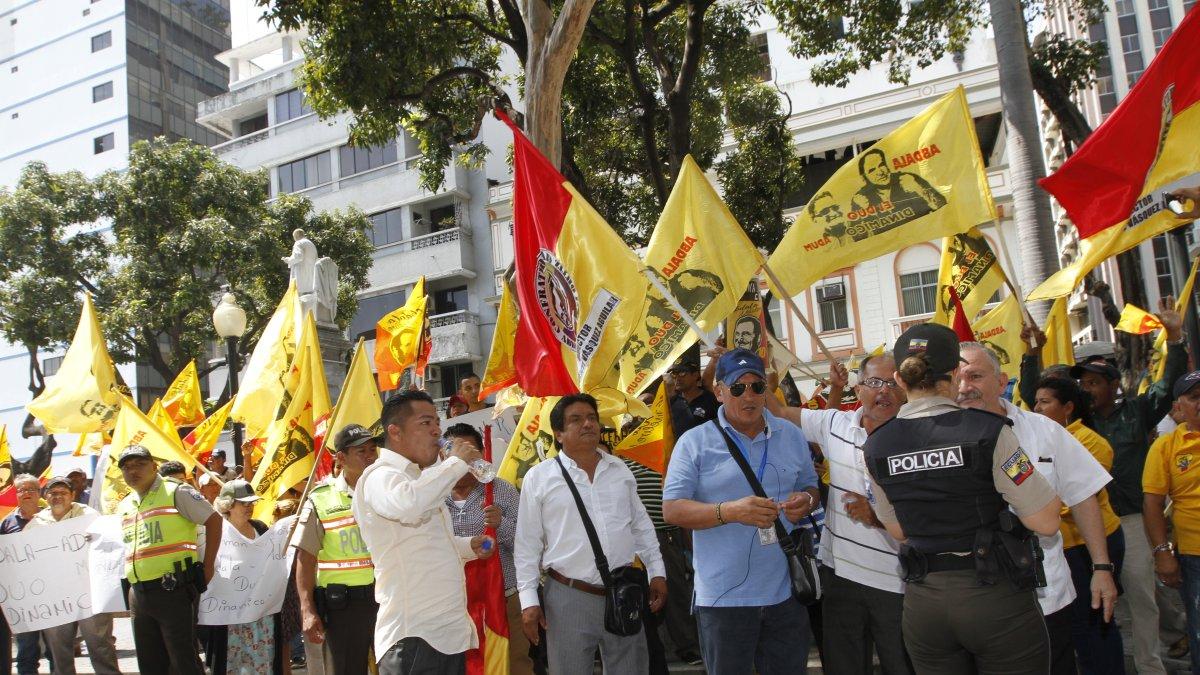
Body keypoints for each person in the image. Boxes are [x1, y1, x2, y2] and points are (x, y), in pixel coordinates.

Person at [863, 324, 1062, 672]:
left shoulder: (877, 445)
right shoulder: (988, 430)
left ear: (898, 377)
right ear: (955, 373)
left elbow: (897, 531)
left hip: (924, 604)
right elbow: (1045, 522)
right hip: (994, 599)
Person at [958, 341, 1117, 674]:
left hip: (1046, 599)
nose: (964, 386)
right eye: (956, 376)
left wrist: (1101, 568)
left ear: (1002, 383)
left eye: (974, 375)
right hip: (973, 603)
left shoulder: (1044, 430)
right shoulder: (937, 439)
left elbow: (1083, 495)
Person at [663, 348, 821, 674]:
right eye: (738, 387)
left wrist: (806, 501)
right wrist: (730, 512)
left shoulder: (790, 435)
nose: (748, 395)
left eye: (757, 386)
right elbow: (672, 510)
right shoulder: (694, 442)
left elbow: (811, 487)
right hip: (723, 601)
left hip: (787, 594)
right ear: (719, 392)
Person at [767, 355, 912, 675]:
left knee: (902, 666)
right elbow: (777, 412)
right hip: (841, 578)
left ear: (904, 390)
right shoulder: (835, 424)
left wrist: (875, 516)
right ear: (858, 389)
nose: (883, 391)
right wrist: (757, 365)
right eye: (875, 383)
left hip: (899, 582)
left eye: (892, 383)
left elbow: (926, 517)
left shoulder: (916, 438)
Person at [1073, 297, 1187, 675]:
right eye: (1083, 383)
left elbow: (1169, 384)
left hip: (1134, 520)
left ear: (1111, 385)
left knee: (1141, 597)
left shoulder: (1137, 411)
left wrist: (1174, 338)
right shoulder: (1075, 427)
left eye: (1094, 382)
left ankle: (1150, 667)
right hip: (1093, 525)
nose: (1087, 389)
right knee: (1100, 599)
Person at [515, 394, 667, 674]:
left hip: (623, 592)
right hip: (567, 597)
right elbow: (526, 545)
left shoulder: (619, 469)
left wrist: (657, 571)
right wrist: (529, 602)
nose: (587, 424)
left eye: (592, 418)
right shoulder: (540, 478)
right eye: (576, 420)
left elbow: (641, 526)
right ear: (558, 434)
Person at [352, 390, 496, 675]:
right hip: (414, 636)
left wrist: (468, 546)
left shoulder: (419, 478)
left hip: (445, 634)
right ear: (395, 431)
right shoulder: (380, 476)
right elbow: (409, 506)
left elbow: (424, 544)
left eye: (437, 424)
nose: (436, 431)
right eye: (425, 423)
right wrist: (456, 463)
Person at [1033, 376, 1127, 673]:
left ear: (1069, 407)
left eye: (1045, 402)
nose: (1037, 408)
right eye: (1036, 401)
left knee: (1097, 622)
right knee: (1076, 626)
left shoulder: (1090, 442)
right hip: (1064, 546)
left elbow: (1077, 497)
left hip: (1091, 544)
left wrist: (1031, 507)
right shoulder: (1038, 437)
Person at [117, 444, 221, 675]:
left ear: (154, 467)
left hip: (173, 588)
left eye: (139, 464)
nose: (133, 471)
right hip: (139, 592)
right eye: (126, 467)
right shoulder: (125, 503)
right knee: (150, 663)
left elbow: (214, 520)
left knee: (183, 660)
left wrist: (208, 565)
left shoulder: (177, 491)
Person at [440, 423, 530, 674]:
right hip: (453, 603)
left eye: (469, 453)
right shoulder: (432, 496)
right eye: (456, 453)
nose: (463, 460)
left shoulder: (502, 490)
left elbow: (526, 546)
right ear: (444, 456)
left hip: (502, 599)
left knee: (514, 665)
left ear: (481, 455)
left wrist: (501, 524)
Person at [292, 423, 380, 675]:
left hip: (388, 597)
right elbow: (305, 558)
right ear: (340, 458)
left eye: (372, 450)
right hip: (344, 606)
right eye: (361, 451)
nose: (370, 456)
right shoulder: (320, 499)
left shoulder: (389, 490)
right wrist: (307, 609)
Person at [25, 476, 121, 675]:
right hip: (57, 598)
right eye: (53, 493)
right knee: (59, 650)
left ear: (73, 495)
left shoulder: (90, 516)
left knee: (100, 645)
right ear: (46, 496)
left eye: (63, 493)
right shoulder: (35, 524)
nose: (58, 497)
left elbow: (107, 544)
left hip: (90, 594)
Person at [1143, 369, 1200, 674]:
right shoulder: (1165, 447)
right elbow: (1152, 503)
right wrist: (1163, 553)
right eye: (1194, 397)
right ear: (1180, 406)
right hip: (1195, 555)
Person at [207, 479, 277, 674]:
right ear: (228, 505)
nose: (249, 507)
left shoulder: (261, 528)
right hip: (229, 614)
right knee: (231, 662)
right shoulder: (216, 531)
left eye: (251, 503)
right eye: (243, 503)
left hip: (260, 612)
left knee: (263, 660)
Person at [3, 474, 51, 675]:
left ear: (39, 493)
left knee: (56, 650)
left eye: (32, 489)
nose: (27, 493)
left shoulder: (52, 518)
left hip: (53, 596)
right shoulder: (6, 524)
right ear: (16, 494)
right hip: (24, 598)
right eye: (22, 490)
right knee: (27, 650)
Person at [665, 359, 719, 436]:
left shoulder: (712, 400)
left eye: (682, 373)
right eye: (674, 374)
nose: (677, 378)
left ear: (695, 375)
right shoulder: (671, 402)